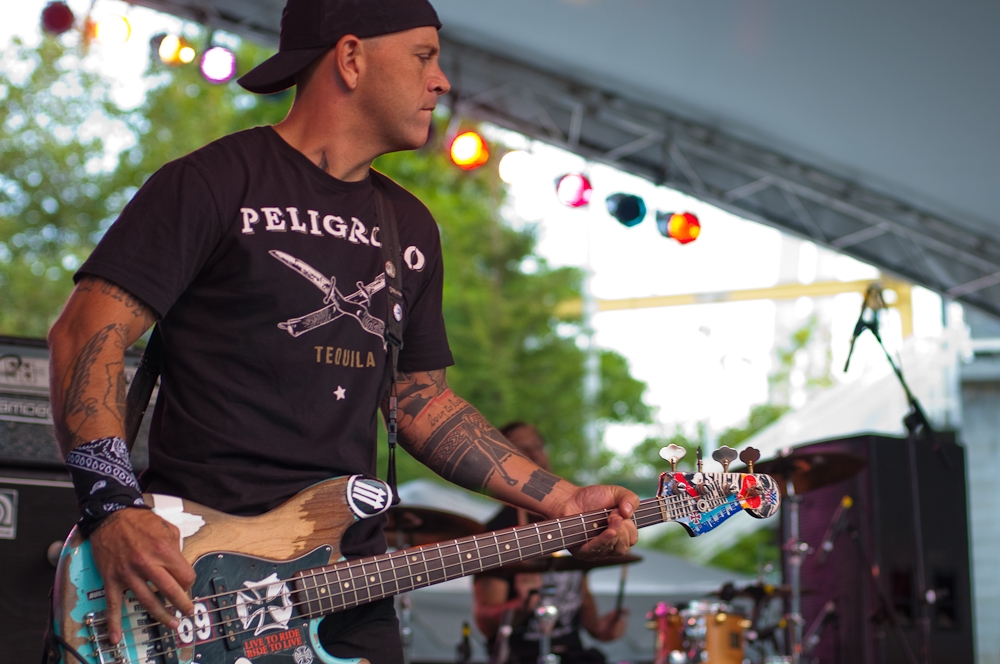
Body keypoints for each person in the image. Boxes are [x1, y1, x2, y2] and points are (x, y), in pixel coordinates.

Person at [45, 1, 639, 663]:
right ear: (351, 58)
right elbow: (84, 335)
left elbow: (418, 400)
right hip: (202, 574)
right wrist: (112, 509)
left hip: (346, 580)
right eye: (423, 56)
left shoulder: (408, 228)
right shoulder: (212, 183)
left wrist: (566, 499)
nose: (441, 81)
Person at [473, 423, 630, 664]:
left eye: (539, 447)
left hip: (573, 653)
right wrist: (521, 605)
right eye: (523, 450)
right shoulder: (499, 530)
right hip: (521, 656)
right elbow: (485, 621)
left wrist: (599, 628)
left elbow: (580, 593)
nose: (537, 456)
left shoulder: (571, 519)